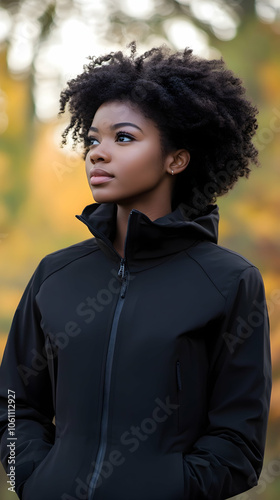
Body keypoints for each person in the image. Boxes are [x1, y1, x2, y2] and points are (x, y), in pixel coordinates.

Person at [0, 43, 272, 500]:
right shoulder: (55, 274)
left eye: (122, 138)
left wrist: (173, 487)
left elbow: (239, 442)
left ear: (176, 159)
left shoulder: (229, 282)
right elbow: (13, 404)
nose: (97, 154)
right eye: (92, 140)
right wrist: (26, 479)